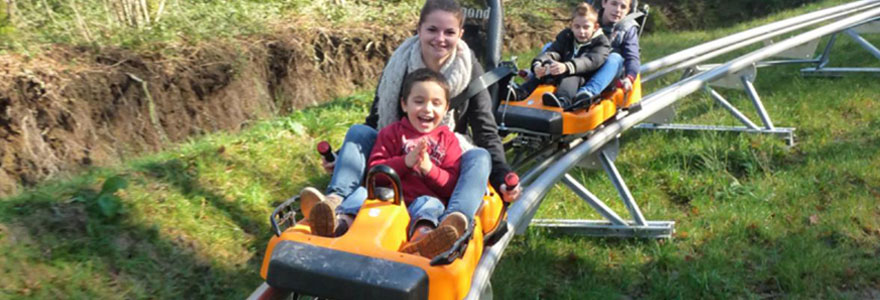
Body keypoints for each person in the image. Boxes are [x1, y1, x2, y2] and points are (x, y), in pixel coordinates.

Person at [299, 0, 521, 241]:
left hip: (445, 151)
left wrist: (502, 177)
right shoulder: (399, 65)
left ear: (460, 34)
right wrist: (345, 155)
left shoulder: (470, 70)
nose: (440, 39)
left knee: (480, 157)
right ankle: (334, 204)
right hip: (396, 145)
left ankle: (454, 222)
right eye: (432, 30)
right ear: (419, 29)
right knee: (359, 132)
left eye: (449, 32)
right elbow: (376, 119)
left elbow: (485, 131)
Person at [359, 68, 469, 258]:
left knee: (430, 204)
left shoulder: (448, 140)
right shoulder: (392, 133)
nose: (427, 109)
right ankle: (341, 221)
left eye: (436, 103)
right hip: (388, 201)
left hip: (424, 201)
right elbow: (374, 173)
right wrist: (405, 162)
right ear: (404, 104)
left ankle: (423, 238)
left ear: (445, 108)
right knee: (359, 195)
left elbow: (451, 186)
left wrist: (429, 169)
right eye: (419, 102)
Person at [515, 2, 611, 109]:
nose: (581, 31)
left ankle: (563, 101)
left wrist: (567, 66)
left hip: (583, 76)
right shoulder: (567, 35)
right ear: (571, 26)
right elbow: (554, 51)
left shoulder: (602, 42)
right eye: (577, 27)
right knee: (545, 68)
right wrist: (538, 64)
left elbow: (591, 61)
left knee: (571, 77)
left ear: (595, 27)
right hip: (561, 71)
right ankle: (521, 92)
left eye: (586, 27)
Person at [573, 0, 641, 102]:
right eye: (614, 4)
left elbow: (632, 57)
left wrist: (629, 78)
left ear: (628, 10)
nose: (617, 10)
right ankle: (544, 77)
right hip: (587, 62)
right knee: (550, 45)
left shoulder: (628, 28)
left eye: (623, 7)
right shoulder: (590, 18)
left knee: (615, 58)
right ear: (604, 3)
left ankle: (588, 93)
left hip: (610, 72)